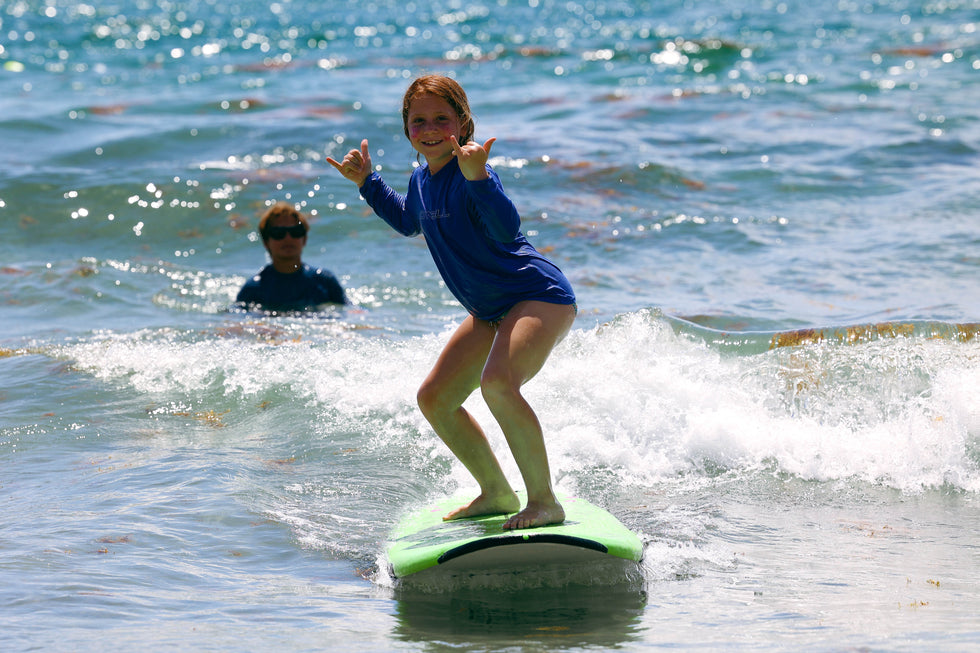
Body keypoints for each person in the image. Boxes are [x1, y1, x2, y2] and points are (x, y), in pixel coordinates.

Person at [327, 74, 576, 530]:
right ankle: (498, 492)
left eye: (441, 118)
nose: (429, 128)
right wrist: (367, 182)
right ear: (407, 130)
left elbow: (506, 229)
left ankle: (544, 501)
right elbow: (408, 221)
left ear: (462, 124)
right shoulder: (422, 180)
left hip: (537, 295)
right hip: (489, 310)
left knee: (498, 384)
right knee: (435, 398)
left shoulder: (471, 171)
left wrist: (479, 177)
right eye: (418, 120)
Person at [236, 202, 348, 312]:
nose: (288, 238)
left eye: (295, 231)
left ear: (304, 239)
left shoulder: (325, 282)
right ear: (266, 242)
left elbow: (351, 312)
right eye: (278, 233)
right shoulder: (253, 290)